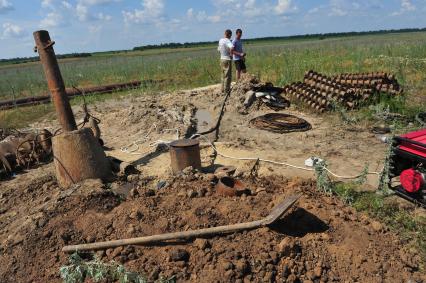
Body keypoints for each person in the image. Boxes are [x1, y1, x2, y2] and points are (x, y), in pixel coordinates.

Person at [218, 29, 234, 94]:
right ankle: (226, 90)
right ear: (229, 35)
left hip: (221, 59)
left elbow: (218, 49)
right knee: (227, 76)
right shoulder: (227, 40)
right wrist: (231, 55)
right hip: (227, 59)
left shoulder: (221, 40)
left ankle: (222, 89)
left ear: (224, 34)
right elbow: (232, 47)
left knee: (222, 75)